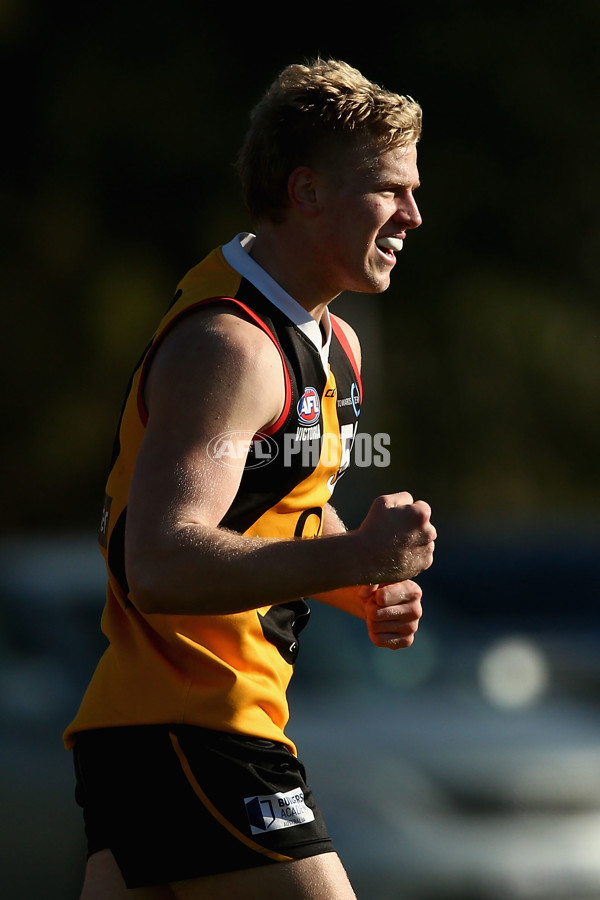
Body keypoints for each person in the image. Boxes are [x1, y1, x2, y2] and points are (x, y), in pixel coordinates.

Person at [64, 58, 436, 899]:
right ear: (305, 191)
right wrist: (355, 561)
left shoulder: (333, 342)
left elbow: (279, 509)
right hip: (193, 724)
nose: (414, 214)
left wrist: (364, 584)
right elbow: (157, 564)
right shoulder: (229, 344)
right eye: (389, 189)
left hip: (176, 728)